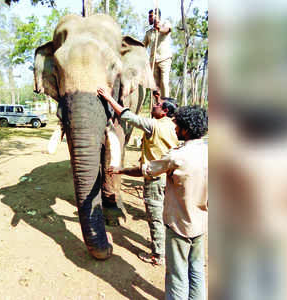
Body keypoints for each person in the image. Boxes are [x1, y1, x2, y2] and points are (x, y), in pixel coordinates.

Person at [97, 87, 179, 266]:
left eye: (157, 105)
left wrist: (109, 98)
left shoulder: (153, 125)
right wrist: (158, 97)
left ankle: (158, 255)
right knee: (166, 214)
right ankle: (163, 246)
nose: (154, 106)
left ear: (165, 111)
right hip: (171, 178)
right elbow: (164, 110)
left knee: (155, 216)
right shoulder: (174, 125)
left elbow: (127, 116)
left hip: (155, 179)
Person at [142, 106, 208, 300]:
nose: (175, 129)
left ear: (186, 129)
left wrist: (122, 170)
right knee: (196, 270)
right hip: (200, 224)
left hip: (179, 226)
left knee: (177, 275)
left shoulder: (176, 156)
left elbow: (148, 170)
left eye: (177, 126)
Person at [144, 8, 173, 98]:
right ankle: (157, 107)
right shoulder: (149, 33)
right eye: (149, 17)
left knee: (164, 82)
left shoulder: (165, 23)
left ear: (157, 16)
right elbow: (143, 46)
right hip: (153, 62)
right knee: (155, 87)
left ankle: (166, 104)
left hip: (165, 59)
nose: (149, 19)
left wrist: (159, 28)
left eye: (151, 16)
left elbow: (166, 30)